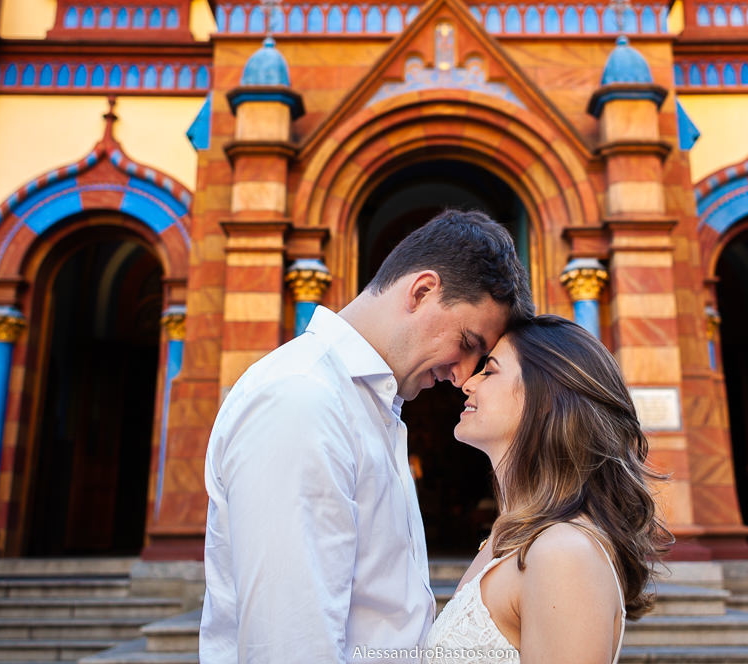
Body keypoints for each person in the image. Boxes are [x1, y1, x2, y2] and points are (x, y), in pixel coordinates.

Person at [200, 209, 534, 663]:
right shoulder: (302, 398)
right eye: (469, 343)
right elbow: (290, 645)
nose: (462, 375)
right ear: (422, 291)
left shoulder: (364, 406)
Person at [425, 315, 671, 663]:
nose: (467, 383)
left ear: (545, 399)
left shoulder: (564, 552)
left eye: (489, 370)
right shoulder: (509, 536)